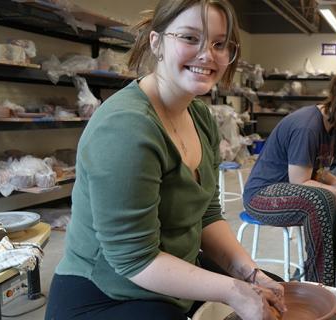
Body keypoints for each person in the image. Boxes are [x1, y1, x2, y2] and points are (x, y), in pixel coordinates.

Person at [45, 2, 285, 320]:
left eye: (219, 43)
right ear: (156, 42)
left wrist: (251, 275)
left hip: (169, 277)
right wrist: (232, 290)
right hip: (107, 294)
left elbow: (207, 216)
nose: (207, 55)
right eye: (189, 38)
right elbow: (133, 260)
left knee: (273, 291)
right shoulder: (126, 127)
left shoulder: (200, 117)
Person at [243, 72, 336, 286]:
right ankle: (322, 287)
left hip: (292, 193)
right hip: (262, 197)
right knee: (321, 200)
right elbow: (301, 183)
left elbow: (319, 172)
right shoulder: (308, 126)